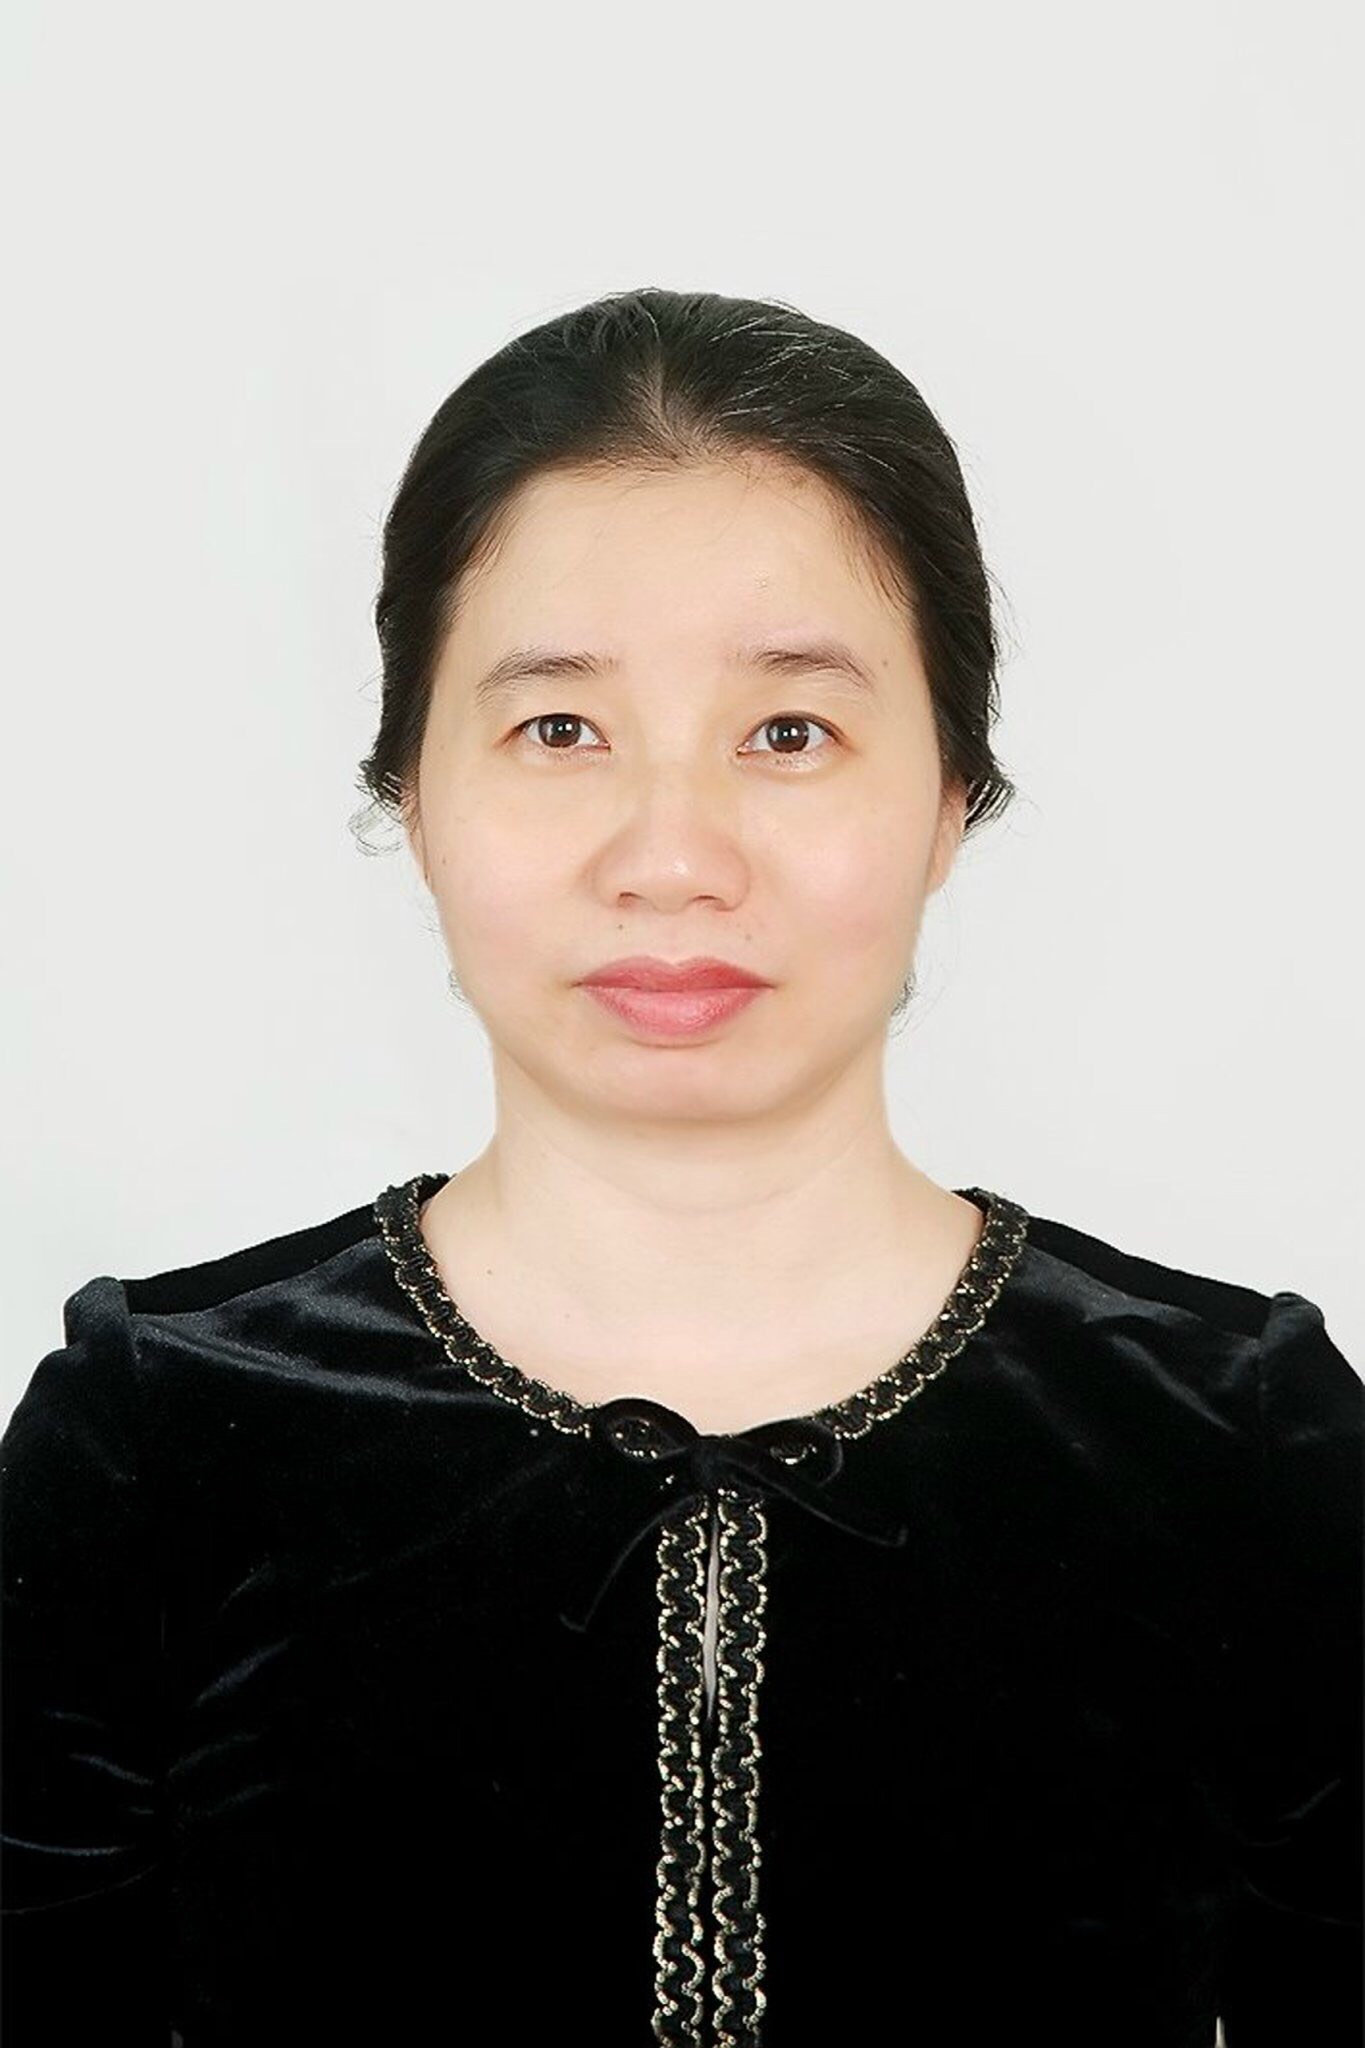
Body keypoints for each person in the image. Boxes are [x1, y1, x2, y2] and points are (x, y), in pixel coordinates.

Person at [2, 287, 1360, 2048]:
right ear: (410, 793)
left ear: (951, 795)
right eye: (558, 729)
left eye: (787, 731)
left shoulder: (1232, 1445)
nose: (670, 855)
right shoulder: (156, 1440)